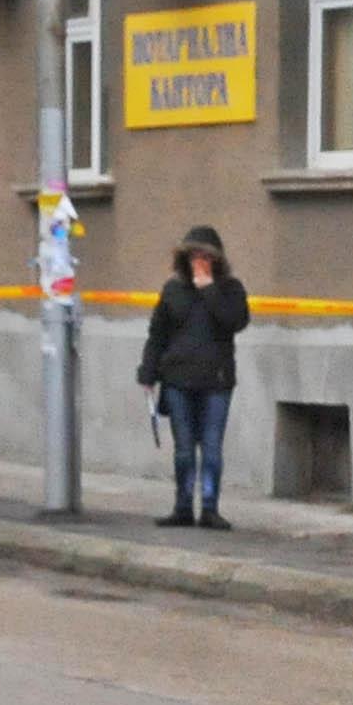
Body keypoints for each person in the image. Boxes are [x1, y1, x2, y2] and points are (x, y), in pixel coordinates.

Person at [136, 222, 249, 529]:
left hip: (216, 380)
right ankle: (183, 506)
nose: (199, 262)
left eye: (206, 257)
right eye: (194, 256)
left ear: (217, 260)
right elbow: (157, 333)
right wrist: (148, 371)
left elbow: (235, 321)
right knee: (184, 448)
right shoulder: (173, 290)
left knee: (211, 446)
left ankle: (210, 507)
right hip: (178, 380)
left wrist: (209, 289)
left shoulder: (230, 289)